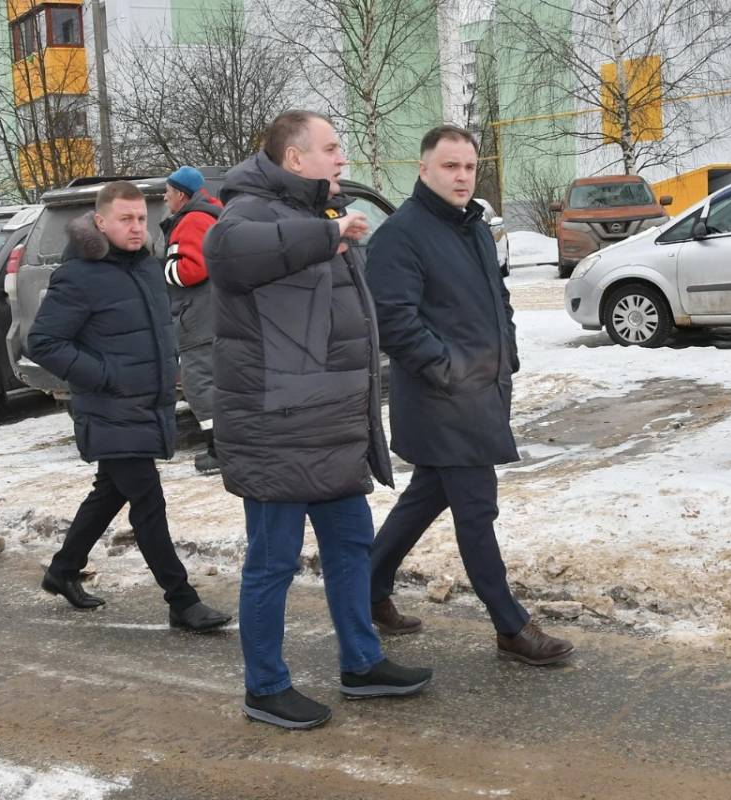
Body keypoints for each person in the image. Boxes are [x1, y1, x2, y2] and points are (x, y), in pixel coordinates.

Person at [205, 110, 432, 730]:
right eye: (330, 148)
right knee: (273, 562)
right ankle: (265, 687)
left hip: (329, 421)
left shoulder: (320, 212)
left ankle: (362, 663)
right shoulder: (247, 211)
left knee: (352, 546)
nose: (341, 158)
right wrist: (327, 233)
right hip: (277, 428)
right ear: (295, 158)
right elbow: (226, 252)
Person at [365, 125, 575, 666]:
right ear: (423, 169)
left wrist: (508, 353)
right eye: (450, 166)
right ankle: (510, 625)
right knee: (477, 510)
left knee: (428, 495)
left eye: (469, 167)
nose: (462, 177)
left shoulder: (475, 227)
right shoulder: (401, 235)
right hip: (443, 399)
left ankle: (368, 585)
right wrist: (450, 370)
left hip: (482, 390)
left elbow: (497, 299)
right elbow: (393, 321)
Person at [29, 181, 232, 634]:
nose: (137, 227)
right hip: (109, 408)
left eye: (141, 218)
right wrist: (105, 375)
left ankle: (63, 570)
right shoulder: (78, 276)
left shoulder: (146, 268)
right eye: (126, 219)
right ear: (101, 222)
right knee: (147, 500)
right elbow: (43, 342)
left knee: (110, 491)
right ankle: (181, 600)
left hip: (146, 404)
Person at [160, 166, 223, 474]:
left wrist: (163, 269)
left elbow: (192, 269)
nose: (165, 198)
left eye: (168, 192)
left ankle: (220, 450)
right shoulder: (209, 214)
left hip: (198, 319)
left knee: (199, 385)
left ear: (182, 195)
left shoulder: (192, 220)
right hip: (211, 314)